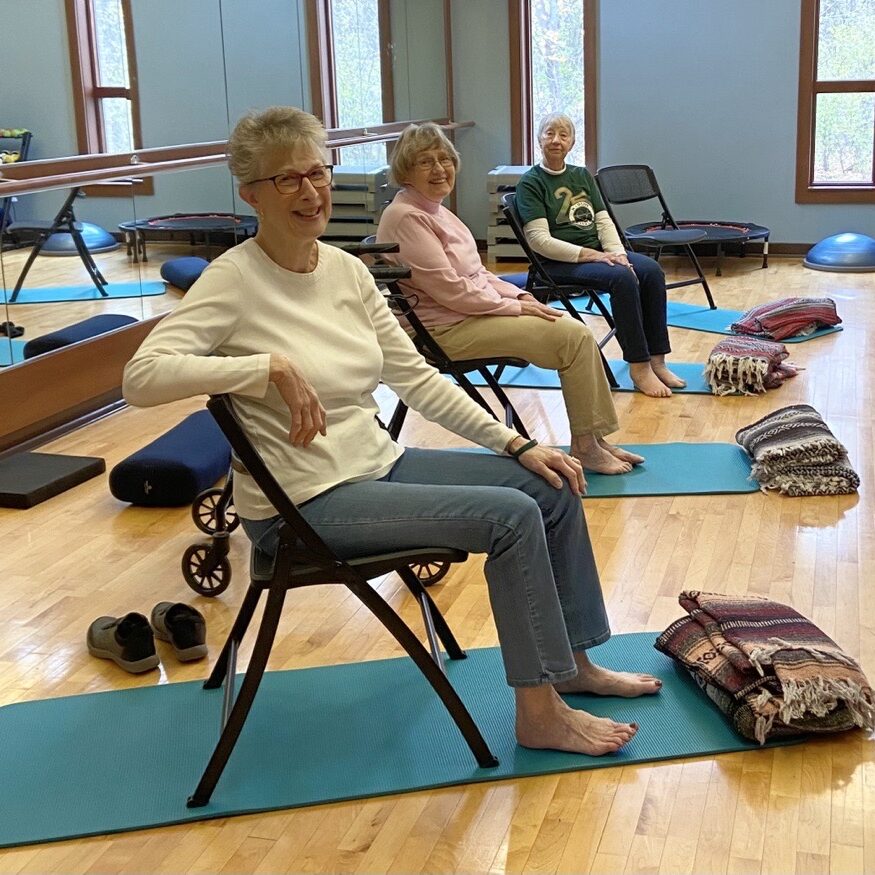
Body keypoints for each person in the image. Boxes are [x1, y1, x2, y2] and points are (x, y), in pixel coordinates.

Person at [123, 106, 661, 756]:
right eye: (287, 179)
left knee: (546, 482)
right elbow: (140, 377)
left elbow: (419, 379)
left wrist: (516, 442)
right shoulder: (233, 279)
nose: (310, 190)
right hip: (303, 505)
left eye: (316, 172)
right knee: (511, 518)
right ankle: (538, 712)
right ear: (251, 192)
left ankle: (570, 664)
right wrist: (265, 366)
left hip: (374, 466)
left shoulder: (345, 270)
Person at [377, 122, 642, 477]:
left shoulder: (436, 209)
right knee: (573, 336)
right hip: (441, 331)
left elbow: (478, 273)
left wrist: (520, 295)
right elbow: (451, 290)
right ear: (405, 171)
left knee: (570, 328)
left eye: (444, 159)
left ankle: (593, 440)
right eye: (426, 162)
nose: (440, 169)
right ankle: (586, 446)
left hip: (466, 315)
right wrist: (514, 307)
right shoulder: (407, 217)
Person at [516, 113, 684, 398]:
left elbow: (604, 221)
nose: (556, 140)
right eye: (549, 133)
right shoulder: (531, 183)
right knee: (622, 279)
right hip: (558, 263)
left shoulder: (581, 175)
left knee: (651, 271)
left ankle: (658, 361)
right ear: (539, 139)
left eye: (564, 135)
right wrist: (595, 257)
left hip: (597, 255)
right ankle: (639, 366)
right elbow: (539, 242)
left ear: (572, 142)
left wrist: (617, 254)